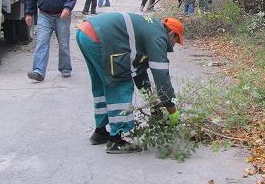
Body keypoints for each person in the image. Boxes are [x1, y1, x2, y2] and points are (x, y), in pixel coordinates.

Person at [76, 12, 184, 154]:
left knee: (102, 84)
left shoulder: (150, 28)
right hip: (99, 37)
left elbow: (139, 72)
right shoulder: (159, 37)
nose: (174, 45)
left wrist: (152, 101)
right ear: (171, 33)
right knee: (120, 82)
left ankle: (100, 132)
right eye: (176, 41)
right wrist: (171, 107)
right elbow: (161, 75)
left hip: (85, 33)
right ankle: (115, 140)